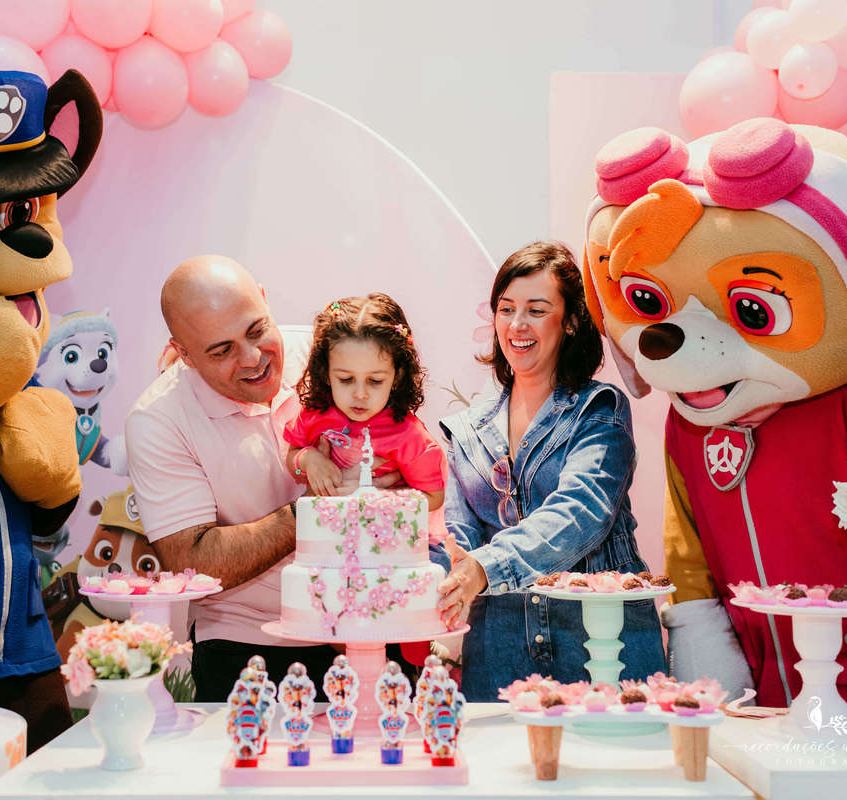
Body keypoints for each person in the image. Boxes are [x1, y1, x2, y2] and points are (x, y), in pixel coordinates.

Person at [125, 256, 399, 700]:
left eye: (257, 331)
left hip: (370, 624)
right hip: (248, 643)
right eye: (222, 350)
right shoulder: (158, 421)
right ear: (185, 353)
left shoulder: (328, 355)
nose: (253, 359)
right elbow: (193, 560)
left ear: (266, 301)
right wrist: (314, 507)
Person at [435, 241, 665, 701]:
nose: (517, 325)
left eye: (536, 310)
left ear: (571, 320)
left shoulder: (599, 410)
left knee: (624, 768)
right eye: (506, 309)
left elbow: (581, 511)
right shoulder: (468, 429)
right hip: (499, 647)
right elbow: (458, 543)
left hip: (606, 644)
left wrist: (486, 565)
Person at [284, 293, 446, 527]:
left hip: (389, 544)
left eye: (375, 381)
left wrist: (381, 499)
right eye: (346, 379)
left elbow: (434, 497)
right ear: (326, 373)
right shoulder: (315, 414)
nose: (360, 394)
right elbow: (293, 454)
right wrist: (308, 460)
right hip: (332, 538)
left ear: (397, 377)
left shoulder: (410, 437)